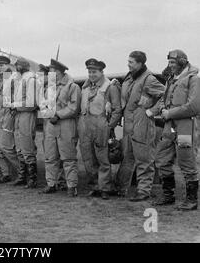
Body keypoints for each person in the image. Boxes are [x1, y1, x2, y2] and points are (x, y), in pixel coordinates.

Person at [115, 51, 165, 201]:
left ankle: (143, 192)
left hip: (142, 122)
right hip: (129, 124)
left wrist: (152, 110)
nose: (128, 64)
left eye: (131, 62)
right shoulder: (130, 77)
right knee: (128, 157)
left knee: (144, 159)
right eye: (128, 61)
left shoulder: (149, 79)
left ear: (140, 63)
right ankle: (121, 189)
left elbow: (166, 94)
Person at [154, 50, 200, 210]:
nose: (170, 66)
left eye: (173, 62)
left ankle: (192, 200)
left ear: (182, 62)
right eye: (169, 62)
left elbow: (194, 106)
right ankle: (168, 196)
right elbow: (164, 99)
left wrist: (170, 112)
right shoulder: (171, 80)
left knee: (186, 159)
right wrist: (161, 108)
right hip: (169, 125)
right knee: (162, 157)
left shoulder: (193, 79)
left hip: (185, 125)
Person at [78, 59, 122, 200]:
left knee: (102, 157)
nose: (91, 74)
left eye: (94, 72)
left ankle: (105, 188)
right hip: (86, 124)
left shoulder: (110, 86)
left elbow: (117, 109)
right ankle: (94, 186)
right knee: (88, 157)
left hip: (101, 124)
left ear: (101, 72)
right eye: (89, 72)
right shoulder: (85, 87)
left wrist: (109, 126)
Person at [40, 59, 82, 196]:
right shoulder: (49, 88)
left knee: (68, 157)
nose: (50, 74)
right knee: (50, 157)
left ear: (59, 72)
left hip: (66, 125)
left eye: (52, 71)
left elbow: (74, 107)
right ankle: (51, 183)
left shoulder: (73, 87)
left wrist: (58, 115)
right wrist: (47, 113)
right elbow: (43, 104)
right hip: (50, 126)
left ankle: (71, 186)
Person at [10, 58, 38, 188]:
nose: (17, 68)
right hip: (19, 115)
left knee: (27, 146)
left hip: (26, 114)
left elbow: (32, 103)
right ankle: (22, 176)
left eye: (18, 66)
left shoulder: (30, 79)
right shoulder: (21, 80)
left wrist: (15, 105)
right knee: (19, 147)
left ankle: (32, 179)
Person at [0, 55, 17, 184]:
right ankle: (5, 173)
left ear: (8, 65)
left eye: (2, 65)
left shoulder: (14, 79)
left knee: (6, 146)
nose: (0, 68)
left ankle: (22, 171)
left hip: (8, 112)